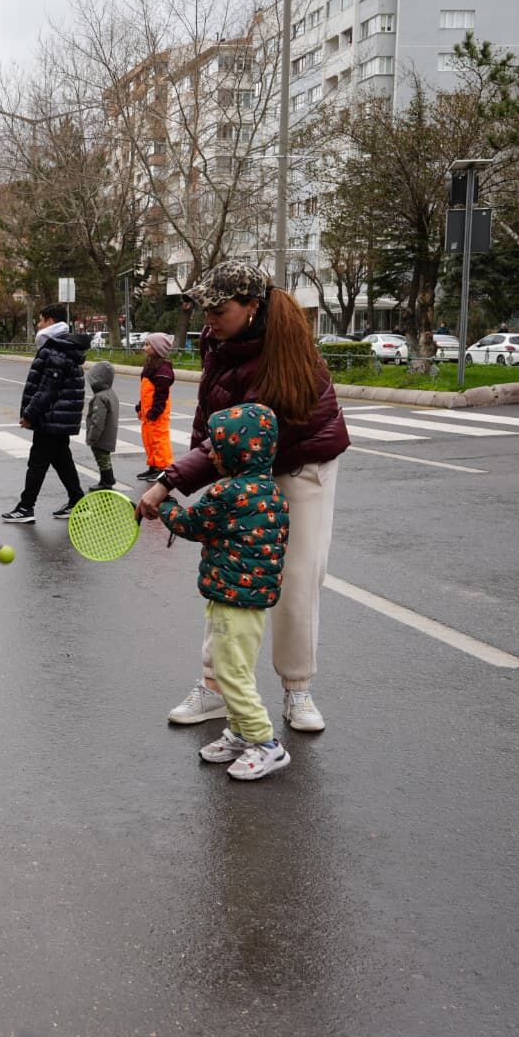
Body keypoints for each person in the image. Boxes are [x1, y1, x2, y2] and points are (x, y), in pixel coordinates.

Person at [136, 261, 349, 733]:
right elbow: (212, 421)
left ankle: (298, 690)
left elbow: (249, 430)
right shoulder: (221, 338)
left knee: (295, 580)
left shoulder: (289, 352)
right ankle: (215, 687)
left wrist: (170, 481)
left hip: (300, 464)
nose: (208, 317)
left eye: (220, 308)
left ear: (253, 306)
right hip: (238, 460)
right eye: (204, 307)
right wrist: (191, 479)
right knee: (228, 571)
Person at [157, 403, 292, 781]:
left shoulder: (227, 492)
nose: (212, 453)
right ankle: (239, 733)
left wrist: (164, 505)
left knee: (232, 674)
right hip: (246, 600)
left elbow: (191, 524)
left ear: (238, 451)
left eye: (217, 447)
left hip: (233, 599)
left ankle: (266, 744)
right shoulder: (272, 492)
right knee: (236, 667)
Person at [1, 303, 87, 523]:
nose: (38, 325)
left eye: (40, 320)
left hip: (51, 416)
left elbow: (48, 389)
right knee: (61, 459)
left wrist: (30, 414)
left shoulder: (55, 349)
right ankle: (77, 500)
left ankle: (25, 507)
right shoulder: (63, 346)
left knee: (37, 463)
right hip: (57, 416)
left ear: (50, 322)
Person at [135, 332, 175, 482]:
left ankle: (164, 468)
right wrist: (140, 406)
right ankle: (154, 466)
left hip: (157, 411)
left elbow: (161, 395)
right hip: (148, 410)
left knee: (159, 439)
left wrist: (155, 411)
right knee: (149, 439)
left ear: (157, 348)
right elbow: (145, 391)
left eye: (147, 344)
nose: (145, 347)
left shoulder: (163, 370)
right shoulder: (150, 365)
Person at [84, 360, 120, 491]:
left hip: (101, 436)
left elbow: (97, 419)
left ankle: (107, 480)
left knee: (102, 459)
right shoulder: (110, 393)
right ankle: (106, 479)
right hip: (109, 434)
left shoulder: (100, 397)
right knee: (104, 459)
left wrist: (92, 437)